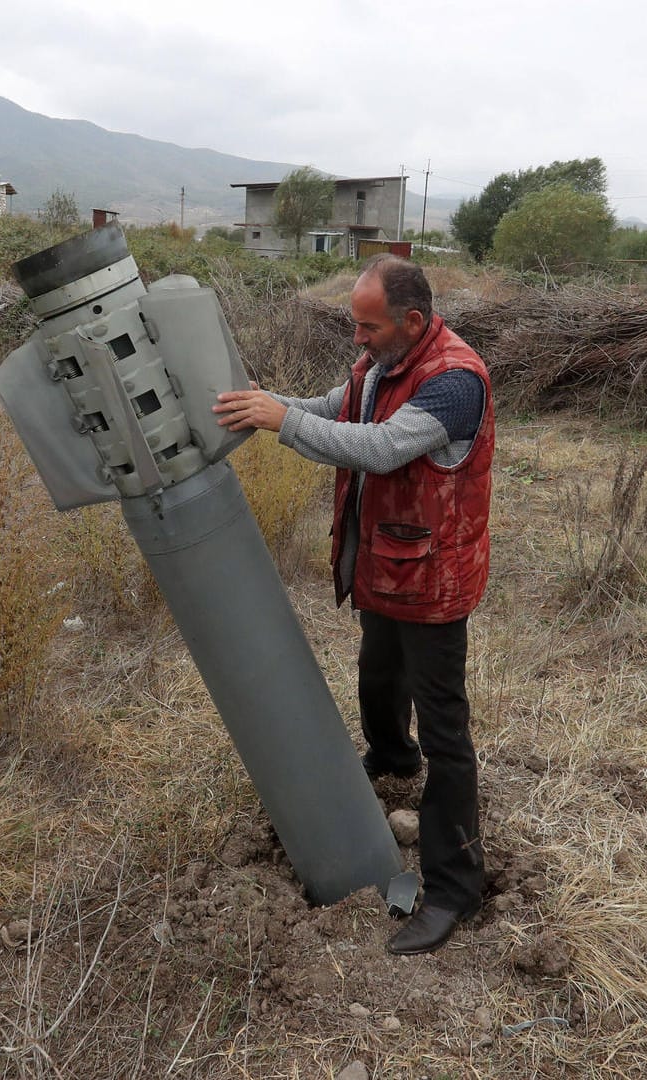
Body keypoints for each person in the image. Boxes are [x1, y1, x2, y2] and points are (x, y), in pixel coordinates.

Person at [213, 255, 494, 955]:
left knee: (447, 734)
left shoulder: (456, 381)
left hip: (433, 583)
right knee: (378, 675)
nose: (358, 340)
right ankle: (394, 763)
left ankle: (456, 885)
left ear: (413, 322)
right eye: (356, 325)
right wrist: (265, 406)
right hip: (389, 570)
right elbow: (339, 408)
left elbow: (379, 449)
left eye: (369, 328)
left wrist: (282, 422)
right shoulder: (382, 366)